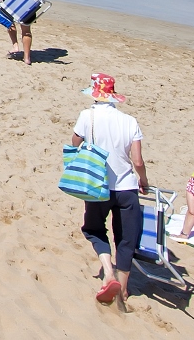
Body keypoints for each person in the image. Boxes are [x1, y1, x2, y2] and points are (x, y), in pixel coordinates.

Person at [71, 73, 149, 311]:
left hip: (98, 185)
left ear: (95, 95)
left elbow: (75, 144)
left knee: (94, 230)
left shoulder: (87, 116)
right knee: (126, 239)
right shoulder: (130, 121)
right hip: (126, 188)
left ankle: (108, 272)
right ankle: (123, 288)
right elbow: (137, 161)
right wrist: (143, 180)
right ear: (113, 96)